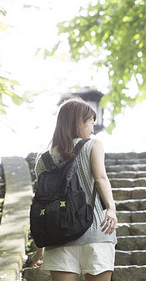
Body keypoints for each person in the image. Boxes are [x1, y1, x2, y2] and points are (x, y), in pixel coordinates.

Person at [31, 98, 118, 281]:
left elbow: (41, 204)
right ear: (79, 121)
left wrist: (40, 247)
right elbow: (101, 178)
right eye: (91, 123)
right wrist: (111, 208)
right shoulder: (93, 145)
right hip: (97, 232)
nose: (93, 130)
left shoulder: (44, 159)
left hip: (58, 237)